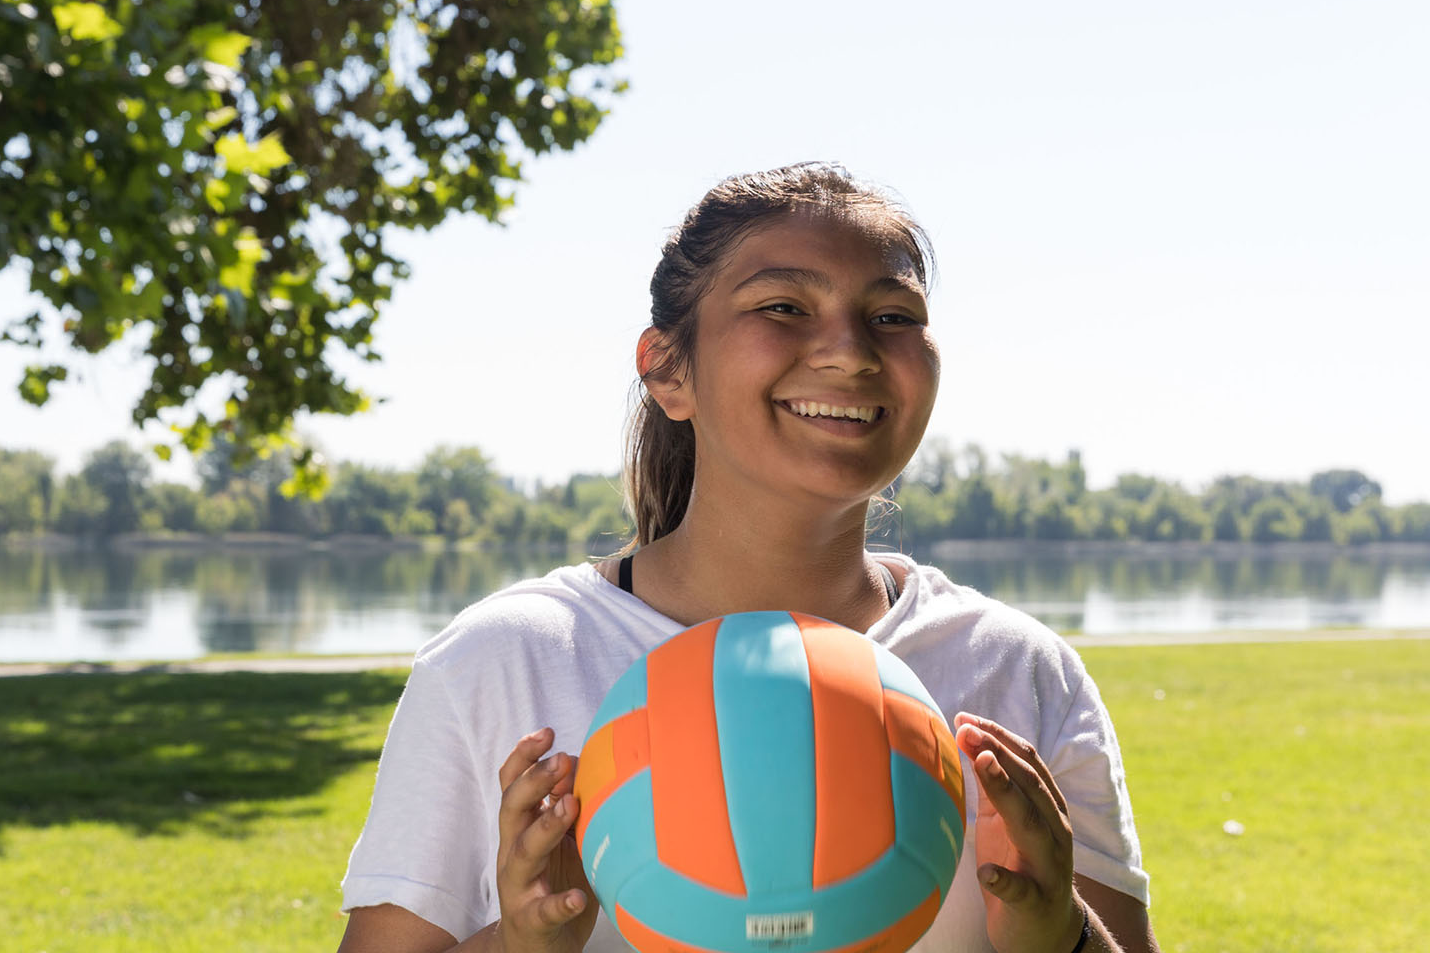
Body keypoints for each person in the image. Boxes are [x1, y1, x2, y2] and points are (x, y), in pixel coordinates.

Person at [335, 163, 1161, 953]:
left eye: (893, 316)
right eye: (783, 307)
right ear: (667, 371)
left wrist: (1065, 940)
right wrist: (520, 945)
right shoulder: (504, 661)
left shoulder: (1019, 671)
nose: (849, 351)